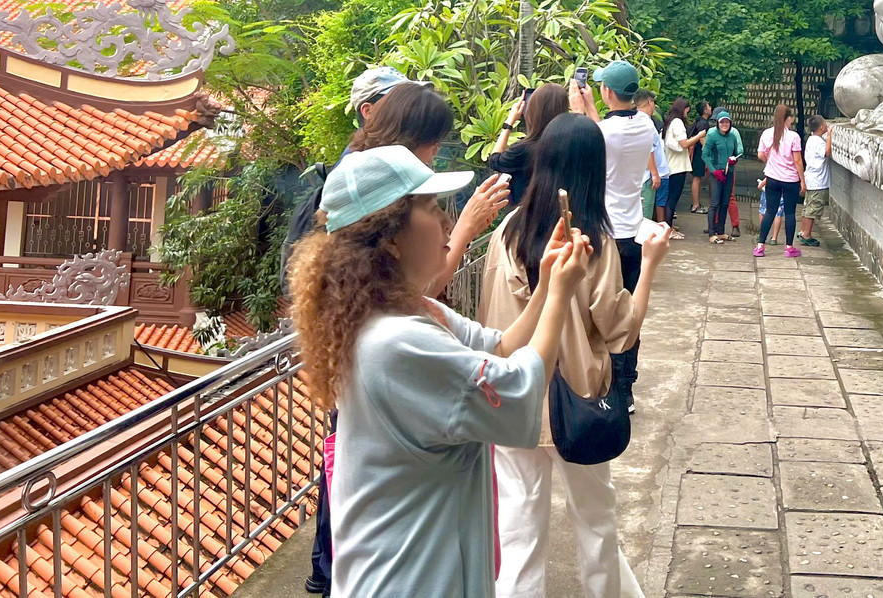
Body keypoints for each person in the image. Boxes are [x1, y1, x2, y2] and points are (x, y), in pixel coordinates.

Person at [287, 145, 591, 598]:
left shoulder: (408, 312)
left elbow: (502, 347)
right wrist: (563, 295)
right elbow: (520, 390)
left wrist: (546, 284)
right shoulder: (395, 342)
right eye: (430, 207)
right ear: (390, 234)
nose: (448, 222)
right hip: (406, 580)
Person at [480, 114, 671, 598]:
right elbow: (621, 330)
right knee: (596, 522)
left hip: (512, 397)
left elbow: (488, 316)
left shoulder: (507, 232)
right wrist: (648, 266)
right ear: (593, 168)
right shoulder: (593, 241)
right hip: (577, 399)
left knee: (519, 529)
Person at [291, 64, 409, 598]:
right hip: (359, 335)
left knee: (350, 455)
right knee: (349, 458)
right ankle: (330, 570)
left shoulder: (380, 164)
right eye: (396, 102)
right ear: (368, 111)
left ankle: (330, 570)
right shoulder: (358, 172)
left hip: (359, 336)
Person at [349, 81, 511, 295]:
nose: (436, 151)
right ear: (406, 138)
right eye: (432, 142)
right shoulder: (372, 189)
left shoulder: (377, 175)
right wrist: (466, 227)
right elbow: (418, 293)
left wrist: (470, 228)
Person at [570, 60, 656, 411]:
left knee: (601, 313)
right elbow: (605, 131)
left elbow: (594, 138)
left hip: (606, 235)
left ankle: (606, 382)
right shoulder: (647, 124)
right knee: (630, 312)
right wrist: (592, 107)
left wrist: (579, 110)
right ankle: (626, 387)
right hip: (634, 232)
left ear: (607, 91)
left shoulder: (603, 132)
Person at [489, 83, 571, 208]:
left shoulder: (523, 149)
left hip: (525, 217)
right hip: (562, 213)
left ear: (533, 111)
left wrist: (509, 122)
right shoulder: (572, 144)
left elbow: (495, 160)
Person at [756, 103, 805, 258]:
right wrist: (802, 180)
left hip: (772, 178)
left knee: (770, 211)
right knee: (790, 212)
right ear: (788, 119)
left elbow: (760, 155)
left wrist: (770, 162)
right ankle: (789, 247)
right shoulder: (793, 136)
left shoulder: (767, 134)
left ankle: (760, 246)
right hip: (790, 180)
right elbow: (798, 161)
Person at [702, 111, 743, 243]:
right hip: (716, 174)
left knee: (725, 203)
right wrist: (714, 171)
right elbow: (705, 155)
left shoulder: (732, 136)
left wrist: (733, 160)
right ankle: (712, 233)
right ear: (718, 123)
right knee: (715, 203)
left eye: (727, 122)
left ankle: (721, 231)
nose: (724, 124)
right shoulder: (712, 135)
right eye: (722, 122)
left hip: (728, 173)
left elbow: (737, 153)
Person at [661, 97, 702, 227]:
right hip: (677, 166)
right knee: (673, 199)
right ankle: (669, 228)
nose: (687, 114)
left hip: (670, 165)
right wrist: (699, 136)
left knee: (669, 198)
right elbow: (684, 143)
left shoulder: (670, 121)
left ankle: (668, 226)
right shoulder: (678, 122)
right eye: (687, 111)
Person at [634, 89, 670, 230]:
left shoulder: (634, 119)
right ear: (649, 102)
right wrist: (655, 174)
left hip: (640, 174)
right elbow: (649, 149)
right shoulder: (646, 123)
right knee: (646, 213)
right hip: (647, 175)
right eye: (653, 102)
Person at [799, 114, 832, 247]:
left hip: (812, 179)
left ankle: (804, 232)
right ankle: (806, 234)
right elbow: (827, 152)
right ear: (822, 127)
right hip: (817, 181)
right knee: (812, 209)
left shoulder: (812, 139)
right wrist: (830, 136)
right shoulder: (818, 142)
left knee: (808, 208)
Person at [687, 101, 712, 213]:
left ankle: (695, 203)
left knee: (697, 178)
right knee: (697, 178)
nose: (710, 108)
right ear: (705, 110)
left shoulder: (699, 121)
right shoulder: (703, 123)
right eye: (709, 106)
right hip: (699, 154)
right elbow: (703, 141)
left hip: (697, 153)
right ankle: (695, 205)